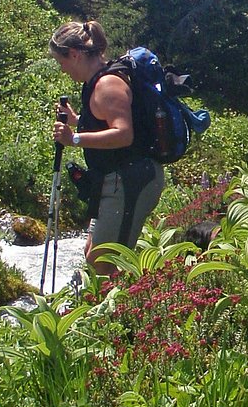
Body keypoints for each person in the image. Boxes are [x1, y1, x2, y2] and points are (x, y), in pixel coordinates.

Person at [49, 19, 164, 276]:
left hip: (132, 180)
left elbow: (123, 135)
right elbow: (105, 123)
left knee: (107, 263)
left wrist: (74, 139)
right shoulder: (96, 81)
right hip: (113, 180)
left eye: (62, 62)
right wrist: (78, 121)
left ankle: (125, 312)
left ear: (75, 54)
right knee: (93, 253)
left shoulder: (108, 85)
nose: (63, 69)